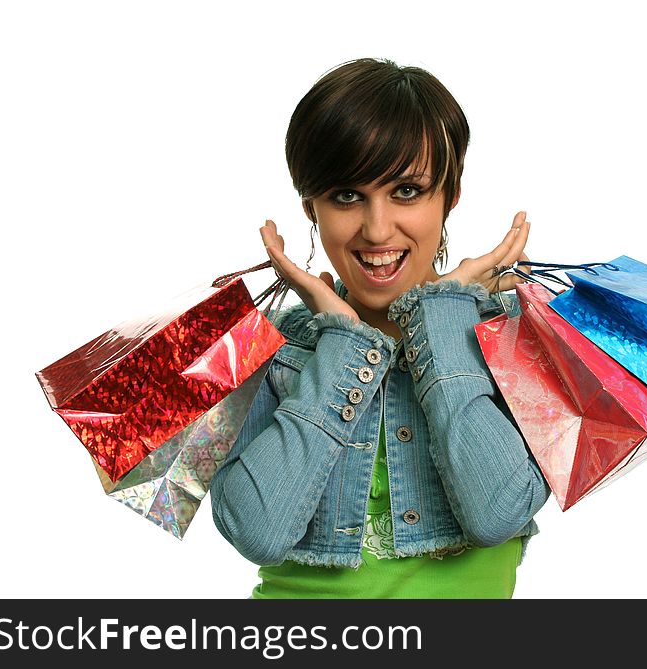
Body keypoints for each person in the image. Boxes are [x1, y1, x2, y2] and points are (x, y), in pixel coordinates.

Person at [210, 58, 550, 598]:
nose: (376, 228)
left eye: (407, 191)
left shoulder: (516, 341)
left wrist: (442, 316)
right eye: (346, 195)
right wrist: (341, 342)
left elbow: (497, 515)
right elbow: (257, 534)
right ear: (311, 207)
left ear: (449, 195)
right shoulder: (266, 347)